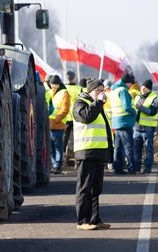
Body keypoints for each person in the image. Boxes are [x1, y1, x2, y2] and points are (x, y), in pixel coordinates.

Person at [73, 78, 113, 230]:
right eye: (98, 91)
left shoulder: (97, 106)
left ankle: (95, 219)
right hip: (86, 152)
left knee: (96, 189)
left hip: (98, 152)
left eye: (103, 91)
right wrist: (98, 103)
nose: (101, 94)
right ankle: (83, 221)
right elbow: (86, 117)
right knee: (84, 188)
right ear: (89, 91)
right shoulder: (80, 103)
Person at [110, 73, 137, 174]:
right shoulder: (123, 91)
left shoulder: (114, 90)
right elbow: (127, 107)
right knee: (129, 146)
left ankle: (117, 168)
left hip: (116, 122)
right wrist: (134, 112)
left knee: (117, 147)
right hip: (125, 122)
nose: (131, 86)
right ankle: (132, 168)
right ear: (128, 83)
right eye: (131, 84)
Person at [132, 79, 158, 174]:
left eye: (145, 88)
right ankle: (136, 168)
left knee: (148, 149)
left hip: (148, 128)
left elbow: (152, 112)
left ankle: (147, 168)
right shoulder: (137, 96)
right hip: (136, 127)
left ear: (149, 89)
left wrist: (140, 107)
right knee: (136, 149)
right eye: (142, 87)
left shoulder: (154, 98)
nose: (143, 89)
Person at [48, 75, 70, 174]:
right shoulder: (49, 92)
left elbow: (65, 109)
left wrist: (57, 119)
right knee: (51, 147)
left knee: (57, 147)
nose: (53, 86)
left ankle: (57, 165)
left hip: (58, 125)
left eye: (55, 84)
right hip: (49, 125)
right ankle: (54, 164)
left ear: (59, 84)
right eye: (52, 84)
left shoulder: (64, 93)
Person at [63, 71, 83, 163]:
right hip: (77, 117)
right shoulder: (79, 89)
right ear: (74, 78)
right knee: (77, 139)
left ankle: (63, 158)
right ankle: (77, 158)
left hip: (65, 117)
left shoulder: (63, 89)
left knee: (64, 139)